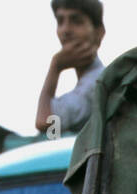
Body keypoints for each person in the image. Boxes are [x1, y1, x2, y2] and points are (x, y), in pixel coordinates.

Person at [35, 1, 105, 137]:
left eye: (77, 21)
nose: (65, 30)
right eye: (60, 21)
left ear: (99, 32)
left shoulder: (97, 83)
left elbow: (45, 122)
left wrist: (55, 67)